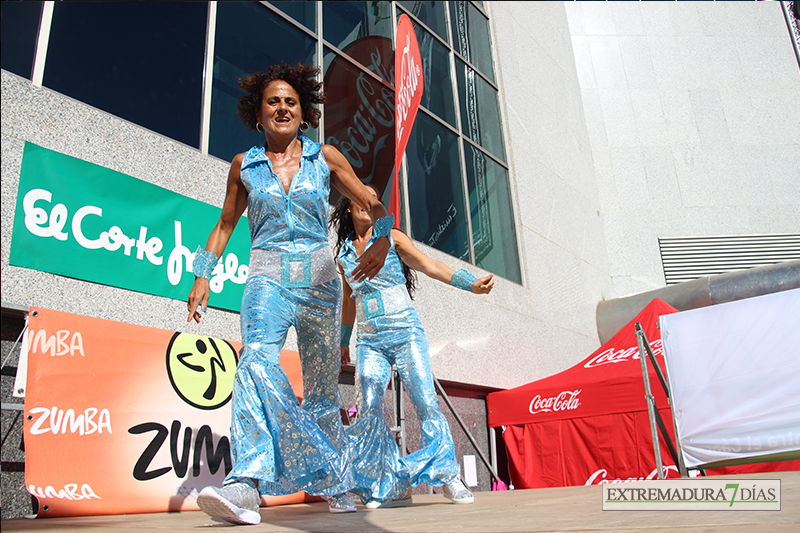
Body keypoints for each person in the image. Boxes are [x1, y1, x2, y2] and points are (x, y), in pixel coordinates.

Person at [186, 63, 393, 525]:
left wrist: (382, 236)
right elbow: (224, 225)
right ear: (258, 116)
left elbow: (369, 200)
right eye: (273, 102)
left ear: (304, 114)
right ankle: (246, 482)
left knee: (321, 390)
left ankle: (334, 478)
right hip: (266, 276)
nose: (282, 107)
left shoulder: (327, 158)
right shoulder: (244, 165)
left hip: (320, 282)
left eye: (291, 102)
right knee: (255, 361)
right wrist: (202, 274)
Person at [329, 186, 494, 509]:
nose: (366, 200)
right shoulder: (343, 256)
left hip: (405, 331)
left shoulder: (392, 238)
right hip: (369, 338)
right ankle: (383, 482)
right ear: (348, 207)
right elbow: (349, 302)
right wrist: (343, 342)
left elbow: (430, 265)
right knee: (369, 408)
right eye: (359, 196)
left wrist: (470, 284)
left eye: (372, 197)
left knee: (425, 401)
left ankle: (448, 476)